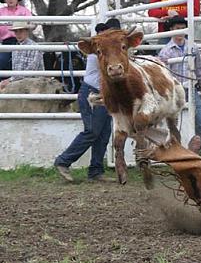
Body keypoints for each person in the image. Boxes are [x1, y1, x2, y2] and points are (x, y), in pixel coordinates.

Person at [53, 19, 121, 183]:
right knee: (93, 131)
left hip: (101, 92)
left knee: (103, 133)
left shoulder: (101, 49)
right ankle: (63, 161)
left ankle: (95, 170)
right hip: (93, 92)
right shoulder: (99, 51)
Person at [158, 16, 201, 168]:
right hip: (174, 92)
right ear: (171, 30)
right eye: (177, 28)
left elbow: (199, 68)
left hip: (190, 89)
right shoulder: (165, 52)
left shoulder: (192, 47)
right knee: (174, 124)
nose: (180, 31)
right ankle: (178, 155)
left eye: (182, 27)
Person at [0, 0, 32, 79]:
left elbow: (33, 24)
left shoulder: (24, 11)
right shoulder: (1, 12)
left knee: (23, 62)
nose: (10, 0)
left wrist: (28, 27)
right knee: (2, 60)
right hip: (6, 42)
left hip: (22, 42)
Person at [0, 21, 43, 90]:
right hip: (19, 82)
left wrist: (11, 80)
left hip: (33, 83)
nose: (18, 34)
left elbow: (31, 70)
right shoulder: (15, 48)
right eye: (16, 31)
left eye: (21, 31)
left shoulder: (34, 47)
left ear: (27, 31)